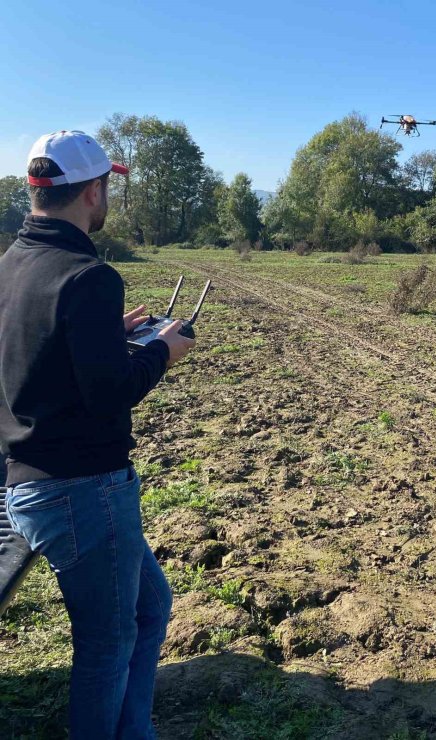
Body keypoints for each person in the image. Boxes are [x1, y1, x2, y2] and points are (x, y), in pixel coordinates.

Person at [0, 130, 195, 739]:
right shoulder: (88, 275)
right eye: (107, 186)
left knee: (149, 607)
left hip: (25, 480)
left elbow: (32, 350)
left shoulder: (12, 265)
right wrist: (162, 351)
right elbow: (111, 392)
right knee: (106, 646)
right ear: (92, 191)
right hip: (83, 491)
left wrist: (103, 334)